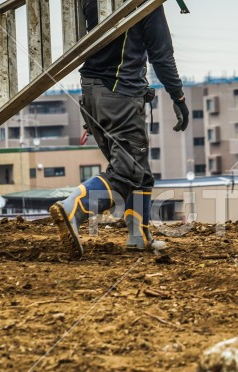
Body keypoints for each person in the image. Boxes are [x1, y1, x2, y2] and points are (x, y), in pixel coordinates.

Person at [49, 0, 189, 258]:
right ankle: (73, 208)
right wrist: (178, 97)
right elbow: (161, 54)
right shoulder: (145, 3)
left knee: (139, 171)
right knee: (127, 172)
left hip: (92, 92)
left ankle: (139, 236)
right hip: (120, 94)